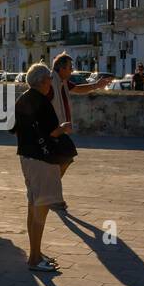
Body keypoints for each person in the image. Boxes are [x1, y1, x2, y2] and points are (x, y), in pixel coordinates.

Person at [15, 63, 73, 272]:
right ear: (42, 81)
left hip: (27, 156)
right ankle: (34, 258)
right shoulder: (41, 102)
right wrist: (63, 128)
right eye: (49, 79)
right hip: (42, 159)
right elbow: (50, 133)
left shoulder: (23, 99)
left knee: (33, 205)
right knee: (41, 209)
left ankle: (36, 253)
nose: (51, 83)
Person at [46, 53, 110, 212]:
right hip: (52, 130)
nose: (72, 70)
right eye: (69, 67)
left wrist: (96, 85)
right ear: (60, 68)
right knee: (62, 159)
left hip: (61, 129)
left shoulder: (62, 81)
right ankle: (50, 195)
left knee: (64, 159)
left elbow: (78, 89)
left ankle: (50, 193)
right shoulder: (50, 82)